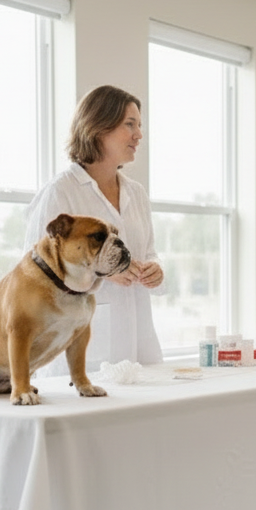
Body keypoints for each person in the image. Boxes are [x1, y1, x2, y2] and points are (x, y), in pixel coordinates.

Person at [24, 85, 164, 369]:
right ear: (98, 127)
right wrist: (103, 272)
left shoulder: (136, 193)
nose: (139, 134)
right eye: (130, 124)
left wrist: (155, 269)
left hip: (140, 338)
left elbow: (148, 252)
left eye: (140, 125)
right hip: (82, 345)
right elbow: (35, 273)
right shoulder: (61, 192)